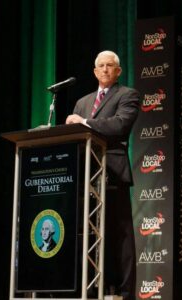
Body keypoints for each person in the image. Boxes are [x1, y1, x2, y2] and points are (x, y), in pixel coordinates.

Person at [66, 50, 139, 300]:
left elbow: (119, 125)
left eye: (110, 66)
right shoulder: (82, 102)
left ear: (118, 71)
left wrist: (84, 122)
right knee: (88, 234)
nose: (105, 69)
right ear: (95, 71)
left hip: (113, 173)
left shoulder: (128, 95)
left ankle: (126, 293)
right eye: (101, 66)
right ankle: (91, 289)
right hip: (87, 174)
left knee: (121, 236)